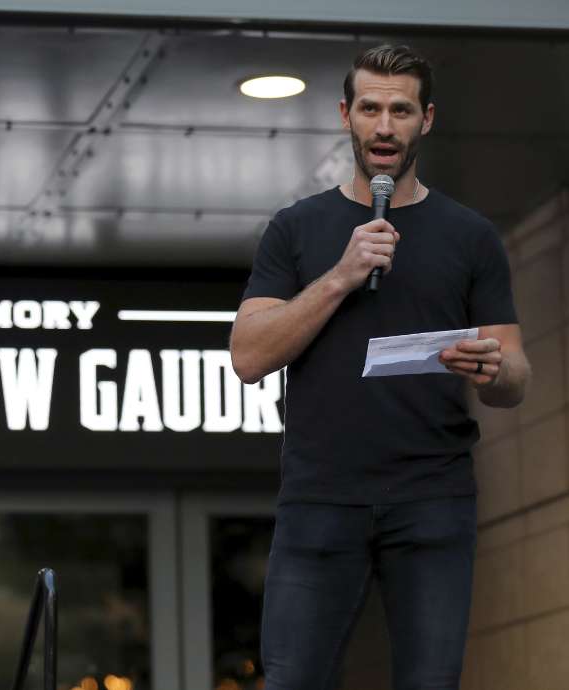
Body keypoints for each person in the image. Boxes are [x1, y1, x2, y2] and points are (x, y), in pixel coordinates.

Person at [229, 44, 531, 690]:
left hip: (432, 496)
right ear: (346, 115)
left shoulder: (470, 236)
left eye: (401, 110)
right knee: (292, 679)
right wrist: (340, 275)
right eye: (370, 108)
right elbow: (249, 356)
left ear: (427, 120)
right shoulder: (297, 228)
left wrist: (492, 367)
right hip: (320, 494)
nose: (385, 126)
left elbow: (515, 376)